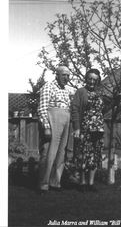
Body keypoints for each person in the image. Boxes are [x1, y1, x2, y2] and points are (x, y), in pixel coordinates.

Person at [37, 65, 73, 194]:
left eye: (68, 75)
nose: (66, 78)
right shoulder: (48, 86)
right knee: (48, 153)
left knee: (61, 153)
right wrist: (46, 127)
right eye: (64, 75)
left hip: (66, 119)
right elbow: (42, 108)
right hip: (53, 119)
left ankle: (55, 182)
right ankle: (43, 184)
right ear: (56, 75)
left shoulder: (67, 89)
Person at [71, 68, 106, 192]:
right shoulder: (80, 92)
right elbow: (75, 110)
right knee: (83, 155)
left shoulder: (100, 93)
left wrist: (117, 98)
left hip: (98, 129)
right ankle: (82, 183)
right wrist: (76, 128)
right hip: (85, 128)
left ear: (98, 81)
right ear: (86, 79)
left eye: (95, 80)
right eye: (90, 79)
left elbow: (105, 109)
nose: (92, 82)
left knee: (95, 155)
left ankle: (91, 184)